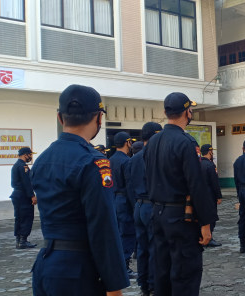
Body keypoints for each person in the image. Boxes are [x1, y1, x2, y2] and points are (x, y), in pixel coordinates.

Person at [31, 84, 129, 296]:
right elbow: (103, 227)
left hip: (46, 266)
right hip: (78, 271)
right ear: (99, 119)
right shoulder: (93, 162)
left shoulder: (43, 159)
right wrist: (114, 285)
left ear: (60, 117)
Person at [145, 92, 216, 295]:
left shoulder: (153, 142)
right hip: (180, 218)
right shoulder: (185, 142)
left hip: (158, 213)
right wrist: (205, 223)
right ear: (187, 112)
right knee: (185, 273)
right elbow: (196, 185)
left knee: (162, 271)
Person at [127, 122, 162, 296]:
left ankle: (143, 284)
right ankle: (153, 284)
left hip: (138, 205)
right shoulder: (155, 156)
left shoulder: (133, 159)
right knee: (154, 247)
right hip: (151, 205)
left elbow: (129, 186)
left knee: (141, 248)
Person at [110, 131, 137, 279]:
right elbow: (129, 186)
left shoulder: (110, 159)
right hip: (124, 200)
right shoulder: (126, 161)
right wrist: (134, 206)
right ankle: (124, 267)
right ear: (128, 143)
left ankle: (118, 264)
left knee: (118, 233)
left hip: (114, 199)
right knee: (127, 233)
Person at [10, 147, 38, 249]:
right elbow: (27, 183)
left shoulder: (16, 165)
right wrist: (32, 196)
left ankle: (19, 241)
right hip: (23, 196)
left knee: (19, 217)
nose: (31, 157)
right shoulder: (23, 166)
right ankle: (23, 241)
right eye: (30, 154)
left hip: (17, 195)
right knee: (26, 217)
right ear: (25, 154)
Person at [200, 144, 223, 248]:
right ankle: (209, 238)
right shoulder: (210, 165)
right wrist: (218, 196)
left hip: (199, 194)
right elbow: (215, 183)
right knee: (211, 217)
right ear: (209, 152)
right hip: (209, 195)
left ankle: (201, 236)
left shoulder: (197, 163)